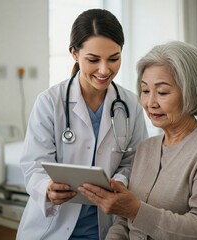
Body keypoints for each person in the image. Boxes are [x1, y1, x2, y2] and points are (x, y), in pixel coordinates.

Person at [78, 41, 197, 239]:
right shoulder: (145, 148)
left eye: (162, 92)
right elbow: (124, 223)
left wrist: (136, 211)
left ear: (190, 92)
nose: (150, 103)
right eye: (145, 90)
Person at [16, 8, 148, 240]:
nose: (104, 70)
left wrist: (119, 181)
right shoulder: (50, 102)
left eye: (114, 58)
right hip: (52, 227)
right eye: (93, 60)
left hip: (105, 228)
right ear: (75, 54)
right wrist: (46, 188)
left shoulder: (130, 104)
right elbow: (34, 164)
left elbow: (133, 162)